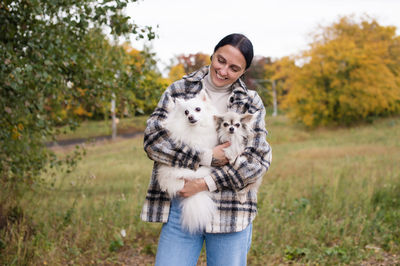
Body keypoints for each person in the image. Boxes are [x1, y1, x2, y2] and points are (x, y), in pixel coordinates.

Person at [141, 33, 272, 266]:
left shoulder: (251, 102)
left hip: (232, 210)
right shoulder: (179, 90)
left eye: (234, 68)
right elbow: (153, 140)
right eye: (220, 60)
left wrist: (205, 183)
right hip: (181, 205)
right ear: (212, 55)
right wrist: (206, 157)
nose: (223, 71)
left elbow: (257, 161)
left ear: (243, 72)